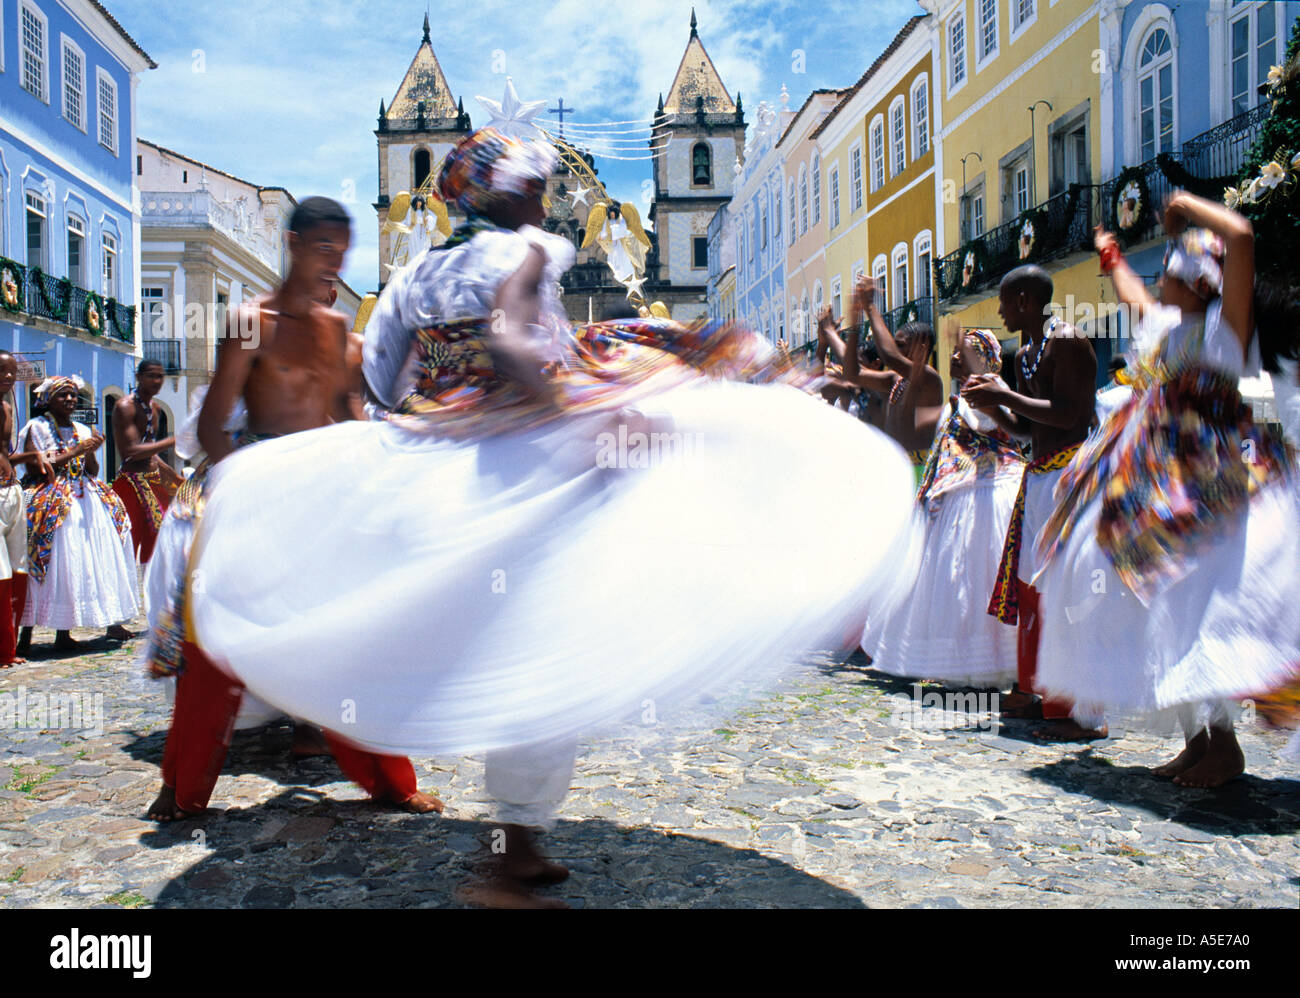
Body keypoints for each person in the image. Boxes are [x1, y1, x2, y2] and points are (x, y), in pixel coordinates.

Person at [181, 128, 920, 907]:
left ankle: (516, 846)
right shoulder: (527, 252)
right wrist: (572, 410)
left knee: (506, 638)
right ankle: (512, 853)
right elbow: (519, 343)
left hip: (443, 466)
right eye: (533, 183)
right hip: (519, 456)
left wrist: (441, 418)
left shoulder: (414, 278)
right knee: (544, 635)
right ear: (502, 194)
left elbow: (381, 381)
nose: (543, 194)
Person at [145, 196, 442, 823]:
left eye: (343, 250)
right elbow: (213, 423)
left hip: (320, 500)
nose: (335, 261)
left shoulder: (339, 332)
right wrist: (241, 491)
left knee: (348, 638)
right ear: (293, 243)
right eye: (323, 248)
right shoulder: (251, 321)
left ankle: (390, 781)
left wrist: (389, 452)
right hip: (256, 494)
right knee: (215, 649)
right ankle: (181, 789)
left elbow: (346, 414)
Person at [1031, 192, 1300, 785]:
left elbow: (1243, 236)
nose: (1163, 279)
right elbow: (1135, 301)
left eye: (1175, 271)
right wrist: (1111, 257)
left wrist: (1184, 204)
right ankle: (1199, 740)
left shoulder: (1224, 333)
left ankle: (1224, 747)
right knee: (1157, 608)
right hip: (1166, 497)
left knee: (1195, 611)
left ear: (1202, 283)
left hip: (1216, 497)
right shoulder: (1170, 334)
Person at [961, 265, 1106, 741]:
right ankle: (1035, 691)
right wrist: (995, 407)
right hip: (1040, 477)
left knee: (1067, 591)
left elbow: (1071, 415)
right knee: (1031, 593)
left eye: (1004, 300)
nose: (999, 310)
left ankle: (1080, 709)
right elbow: (1030, 429)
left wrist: (1005, 395)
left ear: (1024, 301)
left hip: (1069, 475)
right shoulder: (1025, 354)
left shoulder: (1069, 342)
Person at [863, 328, 1024, 685]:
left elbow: (987, 425)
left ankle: (988, 663)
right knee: (958, 580)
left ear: (981, 359)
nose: (953, 358)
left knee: (972, 576)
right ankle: (963, 664)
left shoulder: (985, 391)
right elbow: (916, 431)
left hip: (983, 492)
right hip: (960, 492)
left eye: (961, 353)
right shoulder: (962, 393)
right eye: (953, 352)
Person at [15, 377, 137, 653]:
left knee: (83, 558)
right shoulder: (37, 427)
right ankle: (26, 635)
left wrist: (90, 451)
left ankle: (67, 631)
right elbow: (36, 467)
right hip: (51, 496)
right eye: (63, 396)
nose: (70, 400)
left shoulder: (82, 429)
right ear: (48, 400)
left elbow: (91, 470)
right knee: (51, 557)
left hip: (83, 495)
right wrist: (76, 451)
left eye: (73, 395)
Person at [829, 277, 944, 483]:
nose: (893, 348)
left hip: (918, 472)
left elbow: (890, 356)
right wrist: (854, 325)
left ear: (921, 346)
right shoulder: (894, 380)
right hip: (893, 471)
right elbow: (852, 373)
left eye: (899, 344)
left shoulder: (930, 379)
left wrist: (870, 305)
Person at [0, 351, 53, 667]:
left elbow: (5, 456)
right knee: (1, 572)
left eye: (11, 372)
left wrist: (32, 459)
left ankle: (9, 648)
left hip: (12, 492)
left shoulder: (7, 408)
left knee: (19, 568)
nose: (8, 377)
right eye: (2, 371)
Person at [111, 359, 182, 564]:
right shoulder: (125, 406)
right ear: (138, 377)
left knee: (161, 544)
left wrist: (172, 475)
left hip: (153, 482)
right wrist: (172, 440)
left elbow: (150, 450)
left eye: (160, 376)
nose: (157, 381)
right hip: (131, 484)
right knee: (127, 544)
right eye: (151, 375)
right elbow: (130, 451)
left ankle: (153, 592)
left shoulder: (156, 409)